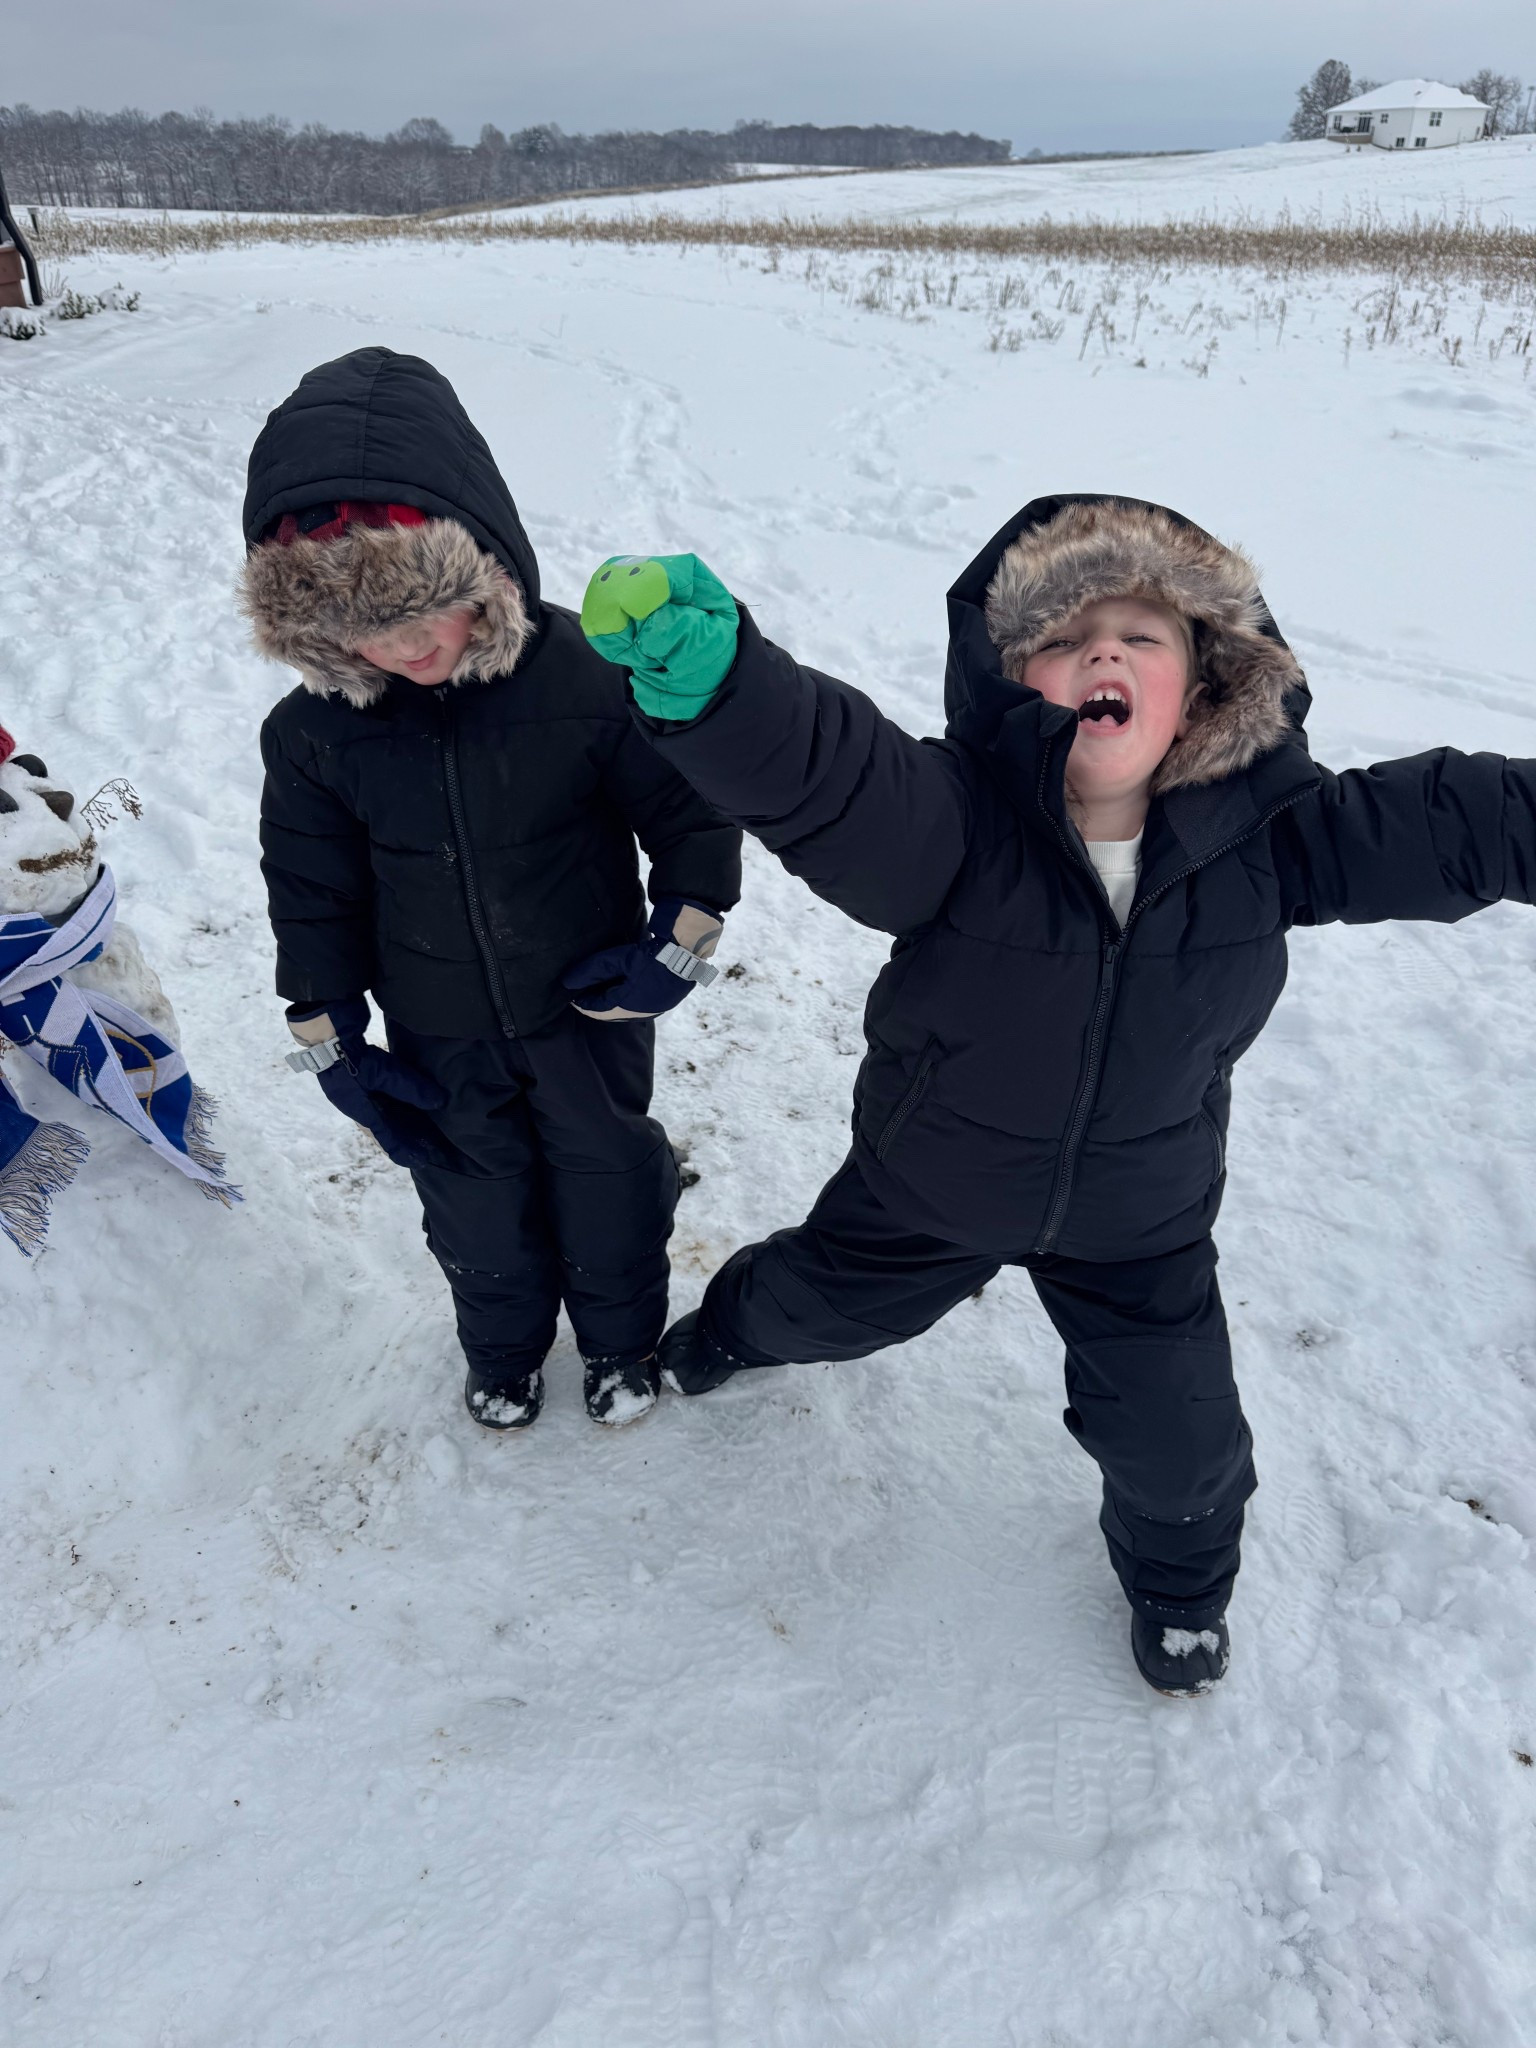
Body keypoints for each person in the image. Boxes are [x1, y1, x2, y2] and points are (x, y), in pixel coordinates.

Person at [577, 498, 1536, 1695]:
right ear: (1010, 682)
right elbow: (829, 773)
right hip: (932, 1185)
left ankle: (1181, 1593)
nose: (1105, 653)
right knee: (819, 1304)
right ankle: (722, 1333)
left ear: (1210, 681)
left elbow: (1464, 819)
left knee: (1180, 1440)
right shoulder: (955, 827)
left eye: (1146, 634)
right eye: (1063, 635)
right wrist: (721, 685)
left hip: (1140, 1219)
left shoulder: (1280, 836)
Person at [242, 349, 740, 1432]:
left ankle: (618, 1342)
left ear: (486, 574)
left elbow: (689, 812)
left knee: (606, 1180)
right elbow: (310, 889)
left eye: (429, 610)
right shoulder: (315, 737)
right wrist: (328, 1034)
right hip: (437, 1027)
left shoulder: (584, 679)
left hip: (588, 1005)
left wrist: (682, 935)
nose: (409, 646)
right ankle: (506, 1350)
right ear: (315, 629)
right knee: (475, 1203)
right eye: (369, 627)